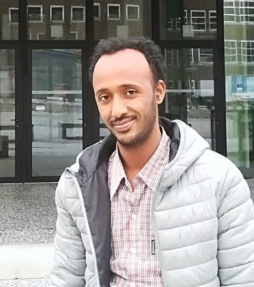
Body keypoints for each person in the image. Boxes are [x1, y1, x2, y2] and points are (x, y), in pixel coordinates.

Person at [51, 36, 254, 287]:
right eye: (105, 97)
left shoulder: (220, 180)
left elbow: (242, 279)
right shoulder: (77, 186)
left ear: (158, 92)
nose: (117, 110)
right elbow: (66, 279)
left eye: (130, 92)